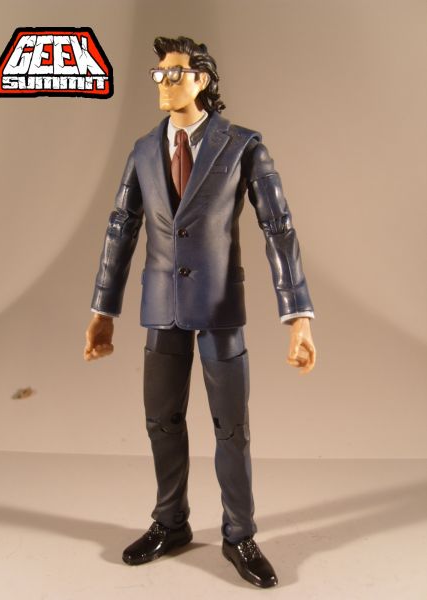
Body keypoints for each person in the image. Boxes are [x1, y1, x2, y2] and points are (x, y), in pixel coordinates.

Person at [84, 35, 316, 589]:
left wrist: (298, 316)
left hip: (219, 307)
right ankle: (171, 521)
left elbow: (278, 228)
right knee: (161, 420)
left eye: (176, 73)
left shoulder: (241, 146)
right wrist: (103, 308)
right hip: (160, 306)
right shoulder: (143, 150)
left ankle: (240, 534)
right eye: (159, 74)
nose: (165, 83)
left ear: (202, 80)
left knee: (230, 426)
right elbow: (121, 226)